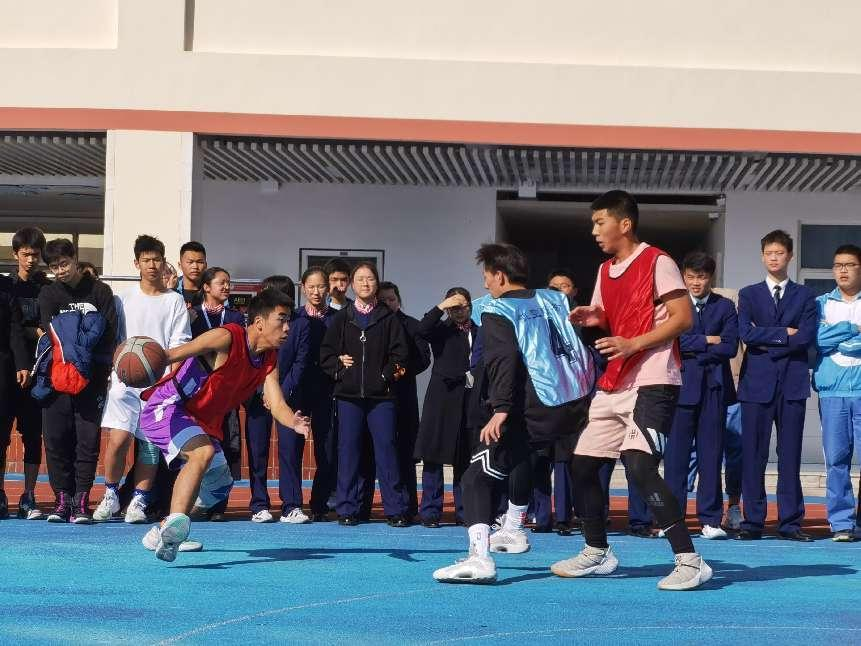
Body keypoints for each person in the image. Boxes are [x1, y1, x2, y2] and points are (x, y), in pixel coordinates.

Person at [551, 190, 711, 591]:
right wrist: (594, 317)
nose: (594, 231)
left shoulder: (658, 261)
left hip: (655, 379)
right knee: (582, 465)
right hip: (615, 381)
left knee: (639, 466)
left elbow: (684, 318)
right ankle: (596, 551)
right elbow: (610, 318)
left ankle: (690, 560)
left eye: (599, 222)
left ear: (624, 224)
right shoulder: (604, 271)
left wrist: (633, 343)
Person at [433, 243, 595, 584]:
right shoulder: (555, 299)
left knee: (474, 477)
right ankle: (520, 530)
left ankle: (480, 558)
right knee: (530, 461)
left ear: (500, 276)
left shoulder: (497, 309)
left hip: (533, 405)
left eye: (487, 277)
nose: (485, 284)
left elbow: (502, 360)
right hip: (573, 403)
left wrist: (501, 408)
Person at [137, 289, 310, 561]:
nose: (287, 327)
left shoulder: (268, 359)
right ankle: (174, 531)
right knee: (202, 453)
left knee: (219, 485)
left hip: (201, 421)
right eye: (282, 319)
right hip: (169, 407)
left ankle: (163, 531)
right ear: (259, 323)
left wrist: (294, 422)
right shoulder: (227, 337)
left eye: (289, 320)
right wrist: (137, 365)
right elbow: (171, 355)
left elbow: (276, 404)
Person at [93, 235, 191, 524]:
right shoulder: (122, 299)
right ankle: (111, 494)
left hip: (158, 385)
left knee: (150, 446)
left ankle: (139, 500)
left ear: (164, 262)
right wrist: (116, 370)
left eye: (156, 259)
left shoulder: (174, 301)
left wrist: (168, 382)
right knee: (118, 440)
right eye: (146, 260)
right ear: (136, 263)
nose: (151, 265)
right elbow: (113, 340)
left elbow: (180, 344)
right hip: (124, 382)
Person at [736, 229, 817, 542]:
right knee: (753, 454)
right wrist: (785, 333)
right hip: (756, 384)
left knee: (790, 455)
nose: (774, 258)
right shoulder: (749, 294)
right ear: (762, 257)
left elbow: (806, 337)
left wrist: (766, 335)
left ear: (790, 256)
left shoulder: (805, 295)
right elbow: (746, 333)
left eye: (779, 253)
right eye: (769, 253)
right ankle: (752, 521)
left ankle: (790, 523)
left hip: (793, 384)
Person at [319, 262, 411, 527]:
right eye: (360, 279)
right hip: (348, 397)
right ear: (352, 284)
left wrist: (385, 376)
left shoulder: (388, 318)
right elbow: (326, 355)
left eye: (370, 279)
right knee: (348, 452)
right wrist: (339, 367)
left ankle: (395, 510)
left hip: (382, 398)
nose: (365, 284)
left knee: (387, 451)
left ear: (376, 283)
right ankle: (347, 508)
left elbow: (401, 356)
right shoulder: (342, 318)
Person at [38, 238, 118, 524]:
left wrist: (91, 362)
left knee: (87, 440)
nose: (60, 270)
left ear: (75, 259)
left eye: (64, 264)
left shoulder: (100, 291)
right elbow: (51, 334)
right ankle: (62, 500)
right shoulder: (49, 294)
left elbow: (109, 333)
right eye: (54, 266)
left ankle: (81, 501)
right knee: (56, 439)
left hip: (91, 377)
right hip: (57, 377)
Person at [662, 252, 738, 539]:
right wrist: (707, 340)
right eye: (691, 277)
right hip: (681, 388)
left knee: (711, 456)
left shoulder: (725, 306)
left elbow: (729, 346)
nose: (696, 283)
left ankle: (710, 520)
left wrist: (694, 346)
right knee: (676, 458)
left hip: (714, 389)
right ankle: (673, 520)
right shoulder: (675, 305)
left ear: (711, 278)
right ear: (684, 277)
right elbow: (672, 341)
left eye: (702, 277)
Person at [245, 274, 313, 524]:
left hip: (289, 397)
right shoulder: (254, 323)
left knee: (290, 451)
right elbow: (249, 359)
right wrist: (262, 390)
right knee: (257, 451)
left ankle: (291, 505)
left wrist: (279, 394)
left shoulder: (300, 325)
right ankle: (259, 504)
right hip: (256, 396)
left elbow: (300, 362)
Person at [414, 287, 476, 527]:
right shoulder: (441, 330)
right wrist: (441, 306)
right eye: (454, 307)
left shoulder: (479, 331)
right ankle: (430, 511)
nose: (459, 311)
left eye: (463, 306)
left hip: (468, 400)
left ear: (470, 306)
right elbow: (421, 329)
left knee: (465, 458)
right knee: (433, 455)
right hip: (441, 398)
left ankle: (464, 511)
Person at [813, 244, 861, 542]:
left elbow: (829, 341)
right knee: (836, 460)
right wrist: (851, 328)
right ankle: (842, 523)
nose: (843, 270)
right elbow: (816, 340)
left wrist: (837, 338)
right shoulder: (820, 304)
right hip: (832, 392)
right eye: (838, 265)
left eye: (850, 265)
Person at [0, 227, 49, 519]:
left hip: (40, 372)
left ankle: (29, 496)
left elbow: (51, 327)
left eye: (35, 254)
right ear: (15, 254)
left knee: (33, 435)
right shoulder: (6, 287)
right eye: (26, 254)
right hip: (8, 371)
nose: (31, 260)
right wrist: (34, 332)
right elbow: (11, 328)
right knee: (2, 435)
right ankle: (1, 494)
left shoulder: (48, 289)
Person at [189, 267, 245, 518]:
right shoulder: (192, 316)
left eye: (228, 283)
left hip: (225, 392)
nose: (226, 287)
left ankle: (218, 505)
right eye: (221, 282)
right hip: (197, 391)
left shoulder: (235, 317)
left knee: (226, 443)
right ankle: (193, 500)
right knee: (197, 445)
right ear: (206, 287)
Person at [377, 281, 431, 520]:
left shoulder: (412, 325)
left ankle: (409, 506)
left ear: (399, 300)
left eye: (392, 299)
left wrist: (400, 371)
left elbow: (423, 358)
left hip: (404, 394)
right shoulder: (372, 325)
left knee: (405, 451)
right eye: (383, 300)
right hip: (376, 395)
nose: (388, 303)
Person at [176, 241, 207, 307]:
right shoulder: (171, 290)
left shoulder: (214, 290)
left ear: (206, 265)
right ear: (180, 265)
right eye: (190, 262)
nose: (195, 266)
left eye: (200, 262)